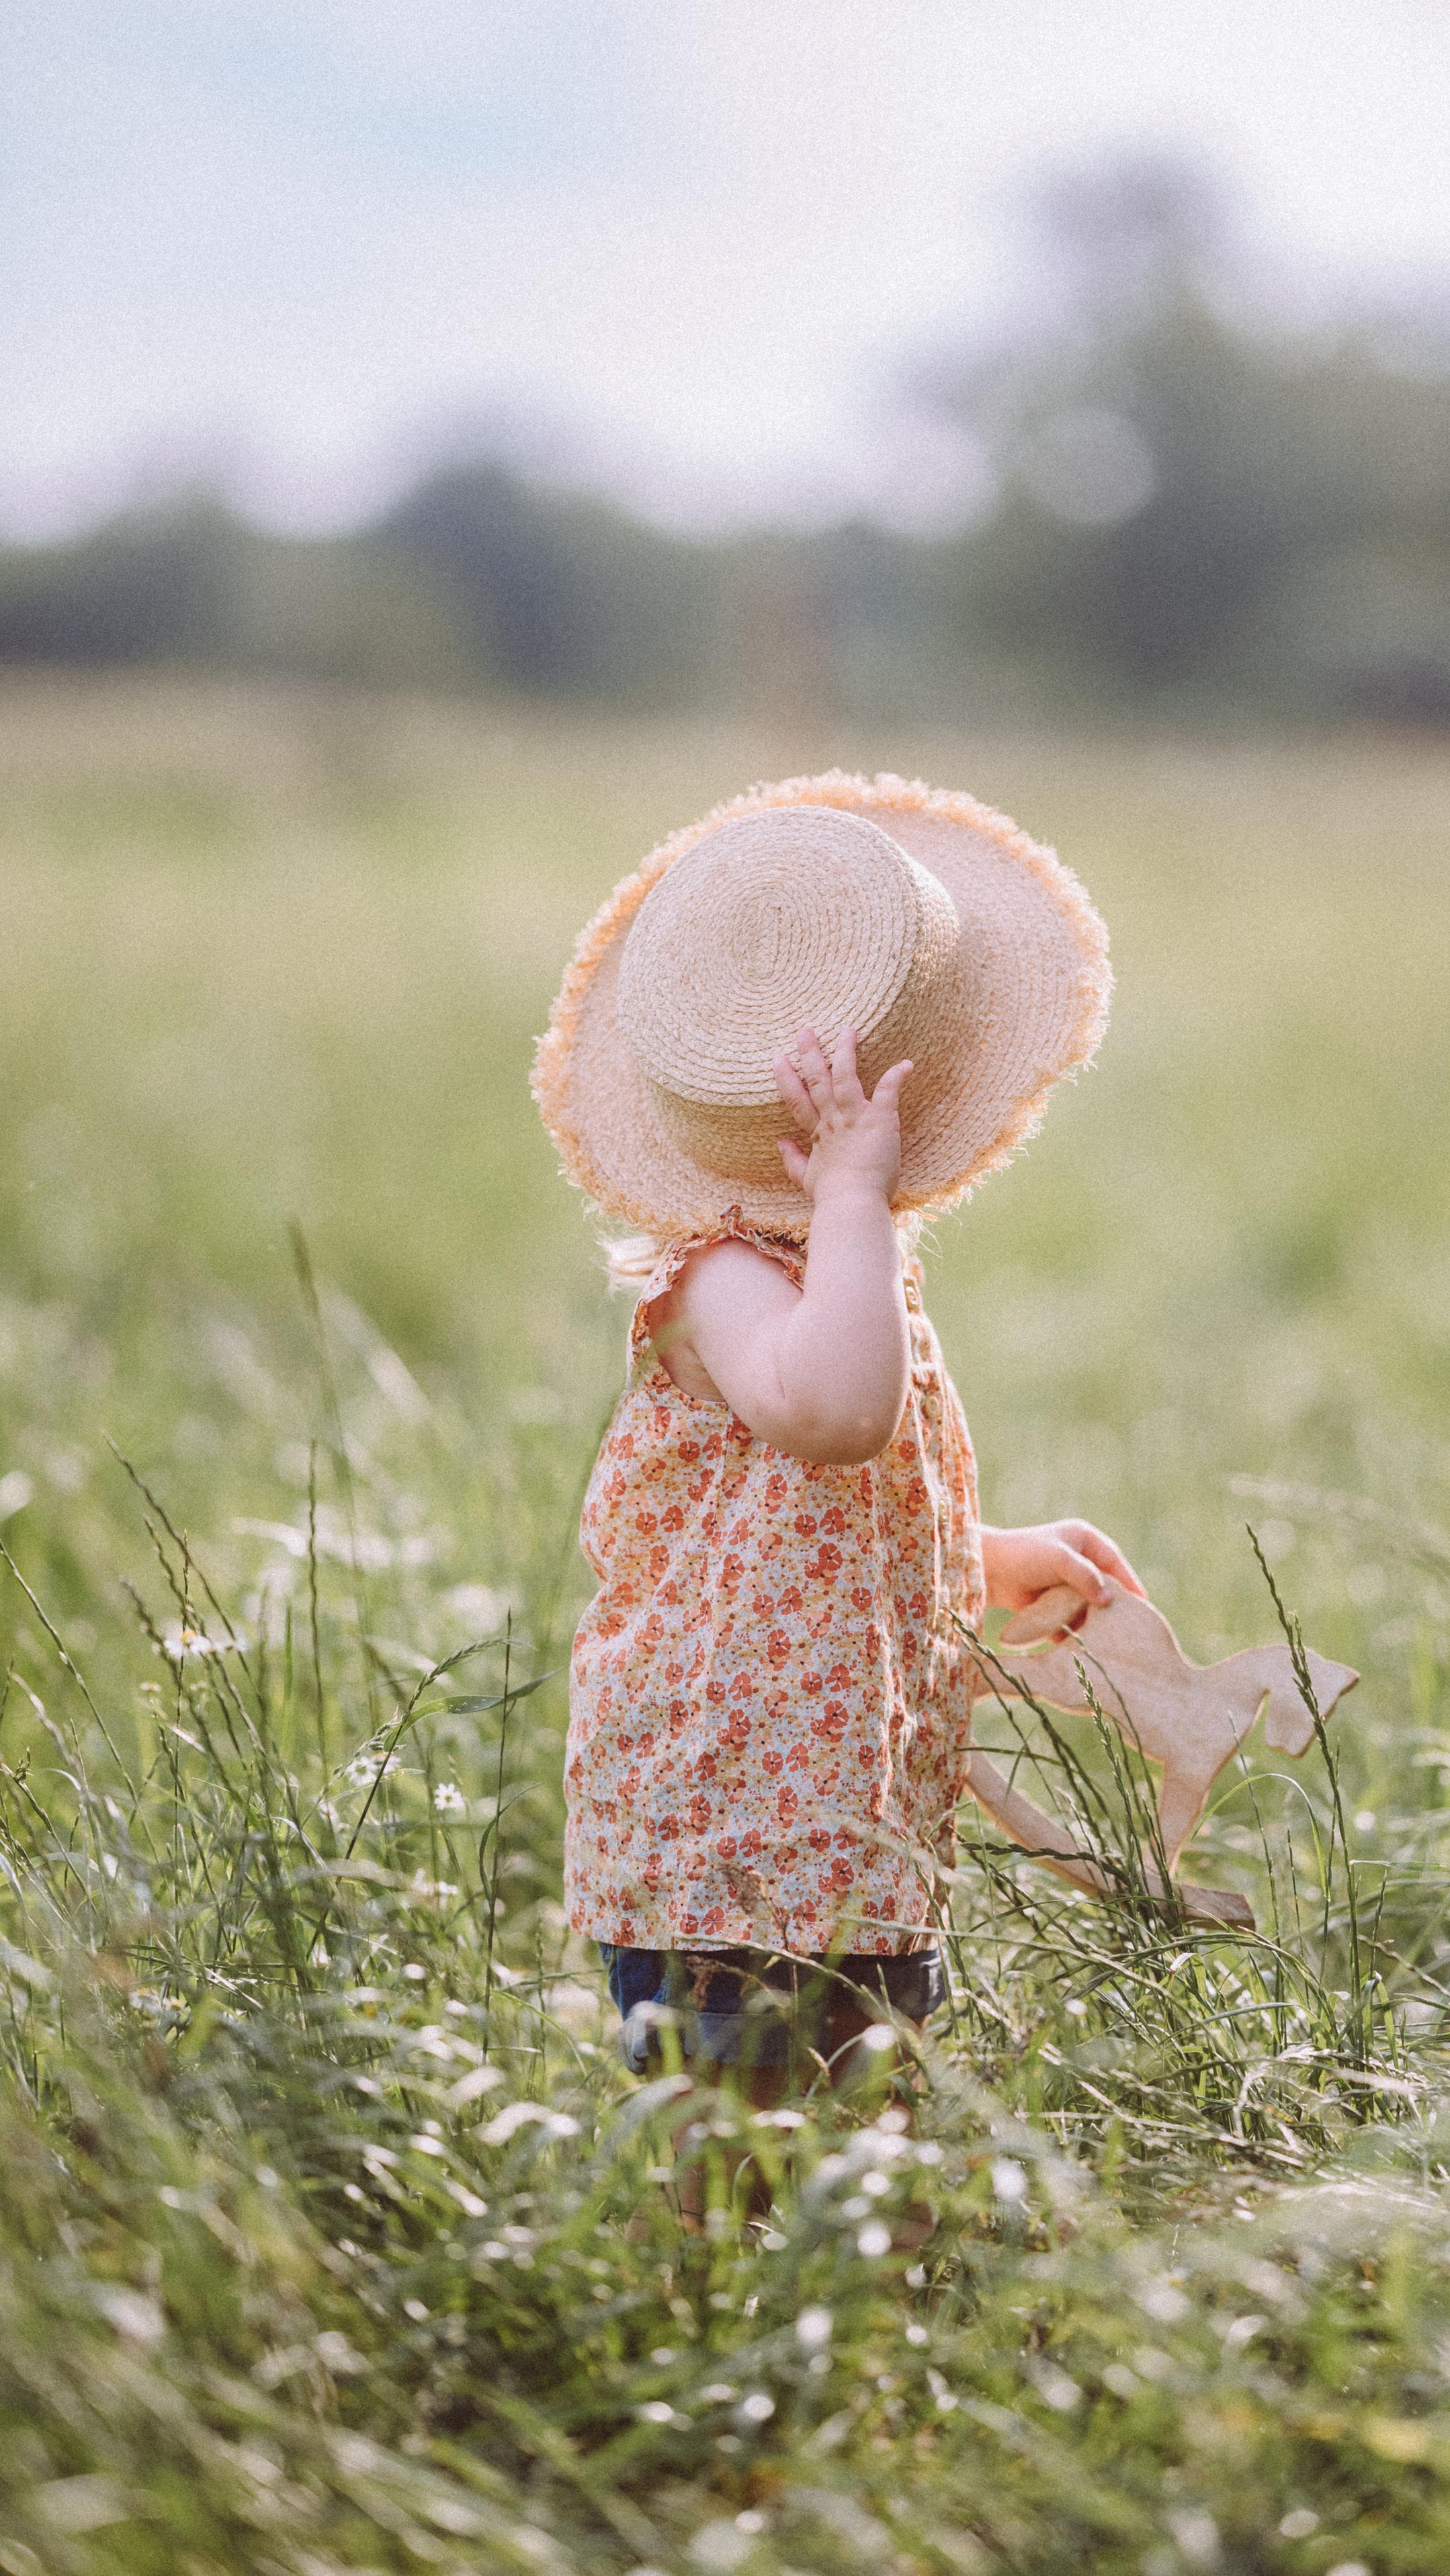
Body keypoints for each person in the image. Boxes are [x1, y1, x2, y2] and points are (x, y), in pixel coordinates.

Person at [532, 773, 1139, 2127]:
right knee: (735, 2138)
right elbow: (832, 1417)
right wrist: (856, 1198)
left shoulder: (844, 1274)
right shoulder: (718, 1283)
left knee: (864, 2125)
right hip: (729, 1834)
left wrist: (976, 1557)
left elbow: (834, 1510)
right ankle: (719, 2318)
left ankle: (853, 2321)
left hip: (847, 1824)